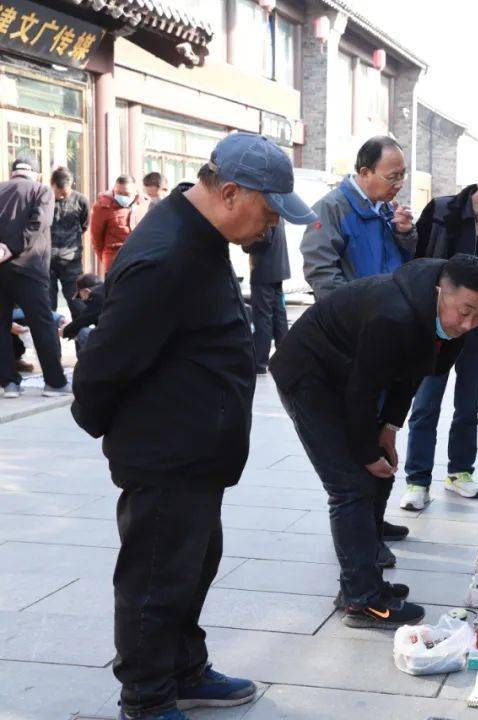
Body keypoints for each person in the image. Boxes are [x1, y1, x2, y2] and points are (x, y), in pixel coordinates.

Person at [71, 132, 316, 720]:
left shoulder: (202, 237)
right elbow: (108, 362)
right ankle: (147, 697)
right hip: (166, 452)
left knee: (190, 567)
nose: (273, 227)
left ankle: (183, 667)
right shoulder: (170, 252)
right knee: (156, 578)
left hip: (195, 448)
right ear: (231, 193)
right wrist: (104, 424)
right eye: (271, 211)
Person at [271, 254, 478, 628]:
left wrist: (389, 428)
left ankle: (364, 573)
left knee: (381, 471)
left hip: (348, 373)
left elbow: (410, 373)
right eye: (465, 311)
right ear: (441, 292)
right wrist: (364, 449)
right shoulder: (393, 316)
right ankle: (361, 599)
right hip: (310, 375)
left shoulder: (444, 319)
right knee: (350, 484)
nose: (469, 323)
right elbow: (363, 390)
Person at [400, 160, 478, 510]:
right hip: (436, 327)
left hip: (477, 330)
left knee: (468, 403)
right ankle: (417, 480)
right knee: (425, 403)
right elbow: (416, 258)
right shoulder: (442, 210)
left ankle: (460, 473)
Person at [301, 135, 416, 300]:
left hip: (391, 313)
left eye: (402, 175)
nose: (399, 184)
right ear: (365, 172)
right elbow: (320, 272)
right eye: (392, 177)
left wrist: (405, 233)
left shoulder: (388, 208)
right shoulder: (331, 208)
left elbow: (405, 263)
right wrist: (355, 309)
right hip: (356, 318)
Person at [0, 157, 68, 398]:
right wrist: (11, 247)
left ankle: (8, 383)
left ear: (13, 173)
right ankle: (55, 383)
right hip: (30, 268)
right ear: (36, 174)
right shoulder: (41, 191)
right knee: (42, 325)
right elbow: (39, 223)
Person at [243, 223, 290, 374]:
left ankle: (260, 362)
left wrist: (245, 242)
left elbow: (264, 237)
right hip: (277, 270)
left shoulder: (265, 207)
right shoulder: (277, 206)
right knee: (279, 315)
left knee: (262, 317)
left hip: (264, 271)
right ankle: (285, 358)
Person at [49, 167, 90, 320]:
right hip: (46, 262)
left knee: (78, 306)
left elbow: (84, 225)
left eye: (63, 193)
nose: (59, 196)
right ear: (52, 185)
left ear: (70, 185)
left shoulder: (81, 200)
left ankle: (83, 341)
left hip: (71, 262)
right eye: (57, 192)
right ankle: (52, 344)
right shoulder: (44, 199)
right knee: (47, 307)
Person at [90, 174, 149, 274]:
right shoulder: (103, 206)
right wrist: (106, 259)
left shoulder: (144, 204)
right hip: (114, 262)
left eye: (127, 194)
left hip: (138, 261)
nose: (122, 197)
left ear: (135, 192)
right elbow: (96, 239)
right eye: (119, 193)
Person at [61, 273, 103, 354]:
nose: (82, 300)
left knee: (82, 332)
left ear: (86, 291)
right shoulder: (109, 290)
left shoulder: (96, 297)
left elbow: (82, 321)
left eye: (80, 296)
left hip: (116, 343)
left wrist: (65, 331)